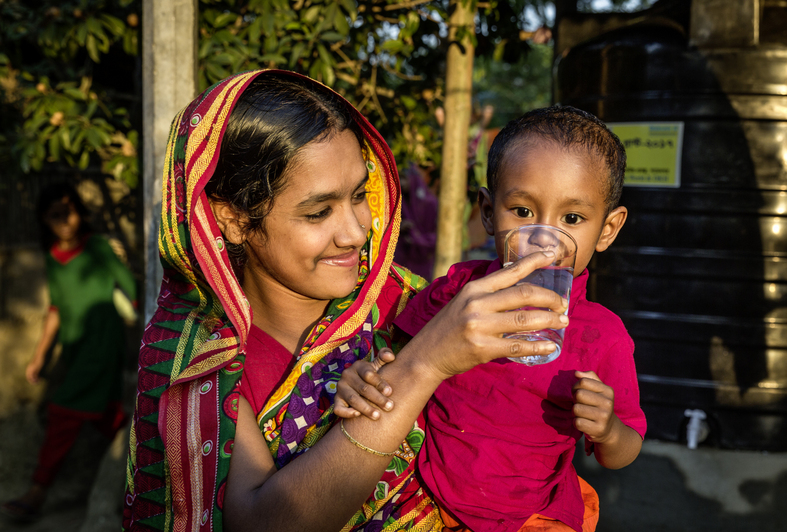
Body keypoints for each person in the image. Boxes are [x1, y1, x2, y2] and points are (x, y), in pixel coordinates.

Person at [122, 69, 570, 532]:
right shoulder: (201, 366)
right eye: (319, 211)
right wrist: (424, 365)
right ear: (234, 219)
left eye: (359, 195)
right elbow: (262, 522)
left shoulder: (409, 303)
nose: (357, 231)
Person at [335, 106, 647, 531]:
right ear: (487, 211)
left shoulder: (602, 336)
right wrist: (367, 375)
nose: (542, 235)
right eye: (522, 211)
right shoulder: (459, 292)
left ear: (607, 229)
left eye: (572, 219)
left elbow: (624, 451)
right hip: (421, 498)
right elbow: (396, 353)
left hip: (533, 518)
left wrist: (608, 430)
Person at [0, 183, 135, 523]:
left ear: (80, 212)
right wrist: (39, 356)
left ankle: (37, 491)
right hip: (77, 348)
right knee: (106, 416)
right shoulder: (52, 258)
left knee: (64, 411)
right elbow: (56, 309)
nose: (64, 221)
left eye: (68, 212)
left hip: (103, 343)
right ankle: (145, 457)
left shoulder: (97, 248)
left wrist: (136, 312)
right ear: (44, 219)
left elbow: (128, 284)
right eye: (54, 215)